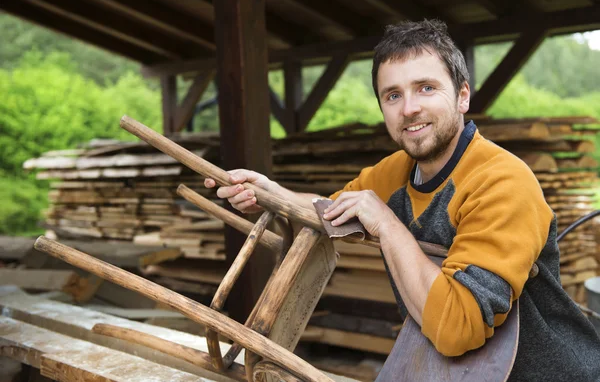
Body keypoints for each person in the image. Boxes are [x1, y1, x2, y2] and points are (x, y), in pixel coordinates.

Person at [205, 20, 600, 381]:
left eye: (426, 88)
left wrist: (387, 223)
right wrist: (272, 195)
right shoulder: (396, 172)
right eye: (393, 95)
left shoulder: (502, 182)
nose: (409, 108)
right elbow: (332, 208)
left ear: (462, 95)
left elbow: (458, 326)